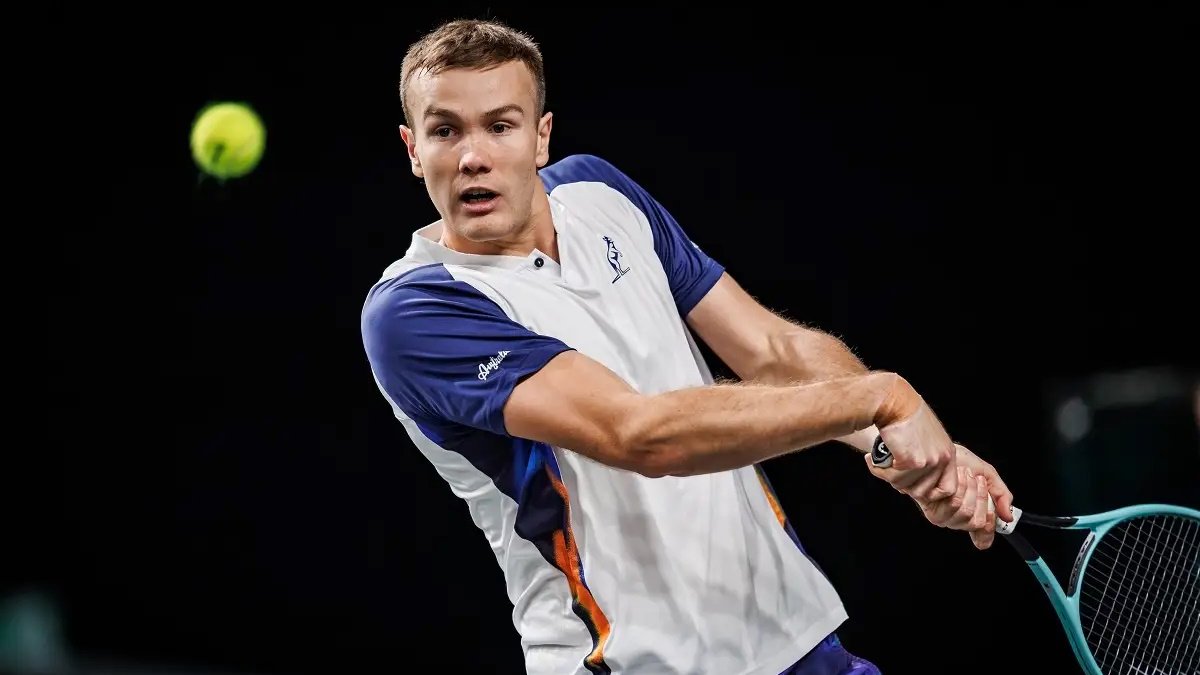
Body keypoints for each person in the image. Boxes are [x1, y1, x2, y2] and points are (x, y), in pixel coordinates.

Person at [360, 18, 1016, 675]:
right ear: (413, 148)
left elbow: (771, 348)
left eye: (500, 125)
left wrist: (897, 444)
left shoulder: (598, 192)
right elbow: (641, 434)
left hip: (795, 640)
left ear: (541, 136)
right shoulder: (415, 311)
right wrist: (884, 398)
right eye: (445, 131)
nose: (472, 156)